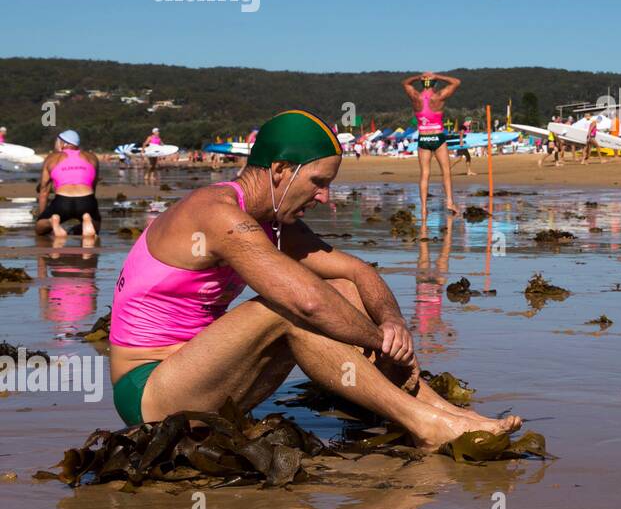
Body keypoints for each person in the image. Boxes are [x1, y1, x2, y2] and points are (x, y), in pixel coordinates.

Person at [106, 108, 520, 443]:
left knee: (337, 288)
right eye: (319, 182)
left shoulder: (274, 222)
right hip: (148, 392)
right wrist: (379, 344)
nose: (324, 197)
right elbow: (305, 302)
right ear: (281, 170)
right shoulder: (215, 213)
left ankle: (442, 412)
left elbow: (357, 273)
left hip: (205, 379)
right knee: (287, 309)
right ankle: (424, 423)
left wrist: (392, 322)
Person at [402, 72, 461, 224]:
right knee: (446, 172)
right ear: (435, 85)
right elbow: (456, 82)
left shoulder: (416, 97)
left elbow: (405, 84)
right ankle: (449, 202)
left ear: (422, 84)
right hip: (438, 136)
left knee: (424, 174)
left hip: (424, 137)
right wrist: (438, 76)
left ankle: (423, 208)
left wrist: (417, 77)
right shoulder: (439, 97)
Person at [35, 130, 100, 238]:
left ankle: (52, 221)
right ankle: (87, 221)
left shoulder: (52, 158)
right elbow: (93, 188)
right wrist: (94, 214)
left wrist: (42, 217)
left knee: (40, 228)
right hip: (86, 200)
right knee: (96, 226)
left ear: (62, 143)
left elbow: (44, 191)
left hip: (62, 202)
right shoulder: (91, 157)